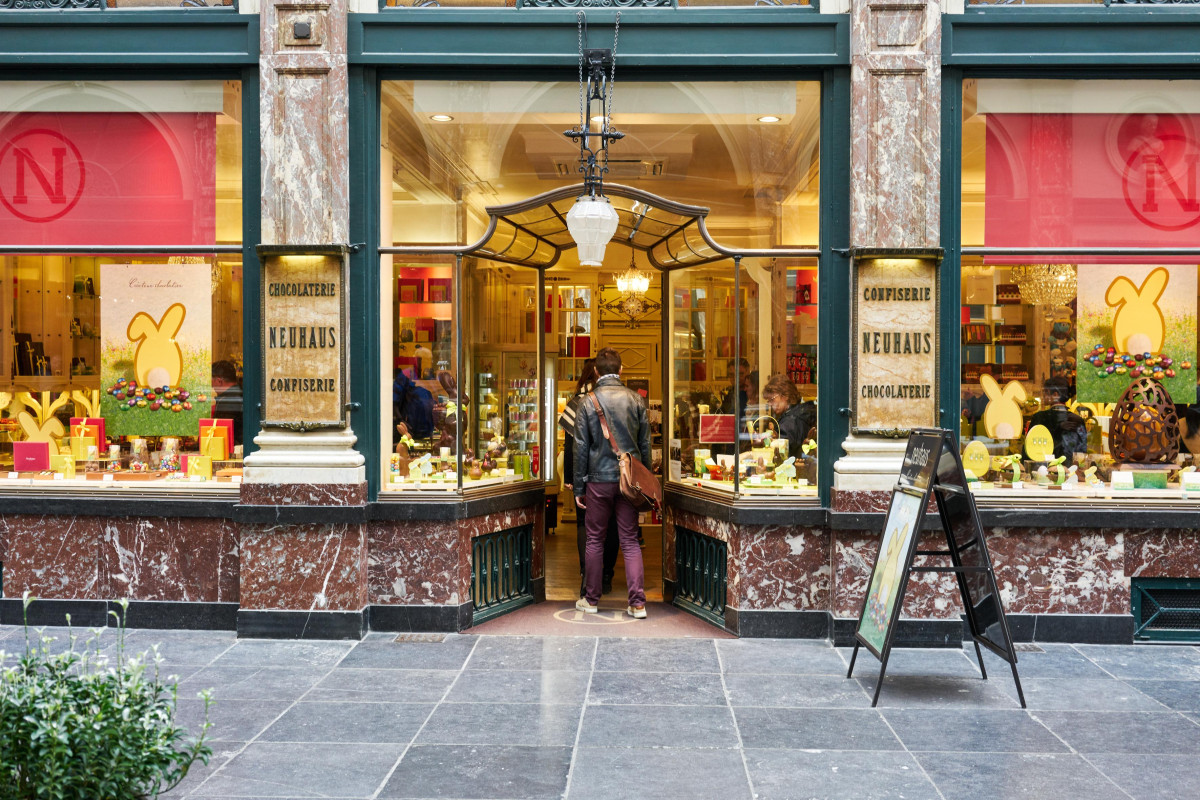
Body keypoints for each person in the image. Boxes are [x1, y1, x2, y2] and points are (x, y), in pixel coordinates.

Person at [573, 347, 652, 619]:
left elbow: (580, 449)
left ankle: (591, 599)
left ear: (595, 371)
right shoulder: (636, 400)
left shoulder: (587, 402)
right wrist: (646, 480)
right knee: (629, 539)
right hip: (628, 482)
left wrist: (579, 487)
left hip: (597, 481)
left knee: (594, 539)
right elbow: (645, 446)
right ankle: (638, 603)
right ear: (621, 370)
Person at [560, 359, 619, 597]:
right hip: (613, 475)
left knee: (585, 525)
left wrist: (570, 479)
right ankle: (606, 576)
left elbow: (570, 444)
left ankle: (586, 574)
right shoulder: (616, 402)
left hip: (584, 476)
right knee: (612, 525)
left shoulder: (576, 403)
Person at [1027, 378, 1087, 460]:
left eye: (1046, 392)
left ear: (1055, 395)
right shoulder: (1078, 420)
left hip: (1043, 468)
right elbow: (1082, 452)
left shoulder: (1039, 418)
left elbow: (1029, 449)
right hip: (1070, 469)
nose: (1043, 396)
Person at [761, 373, 816, 461]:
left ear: (785, 396)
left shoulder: (789, 422)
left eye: (772, 399)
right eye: (768, 401)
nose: (770, 404)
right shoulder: (800, 413)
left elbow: (781, 456)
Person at [392, 369, 434, 449]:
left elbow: (394, 403)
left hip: (413, 431)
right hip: (423, 432)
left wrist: (400, 419)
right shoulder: (423, 392)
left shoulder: (415, 393)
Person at [210, 360, 243, 447]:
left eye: (212, 382)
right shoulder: (241, 393)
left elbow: (221, 435)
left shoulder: (227, 401)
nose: (212, 387)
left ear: (219, 381)